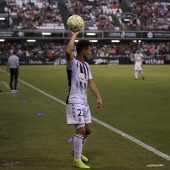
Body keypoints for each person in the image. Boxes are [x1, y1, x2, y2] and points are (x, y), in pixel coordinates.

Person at [65, 30, 103, 169]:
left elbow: (91, 82)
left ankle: (77, 153)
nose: (91, 53)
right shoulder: (73, 63)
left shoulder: (86, 66)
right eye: (90, 50)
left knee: (88, 130)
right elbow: (69, 51)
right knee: (80, 131)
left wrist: (98, 97)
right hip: (74, 101)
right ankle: (76, 159)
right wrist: (74, 34)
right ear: (83, 51)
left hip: (84, 102)